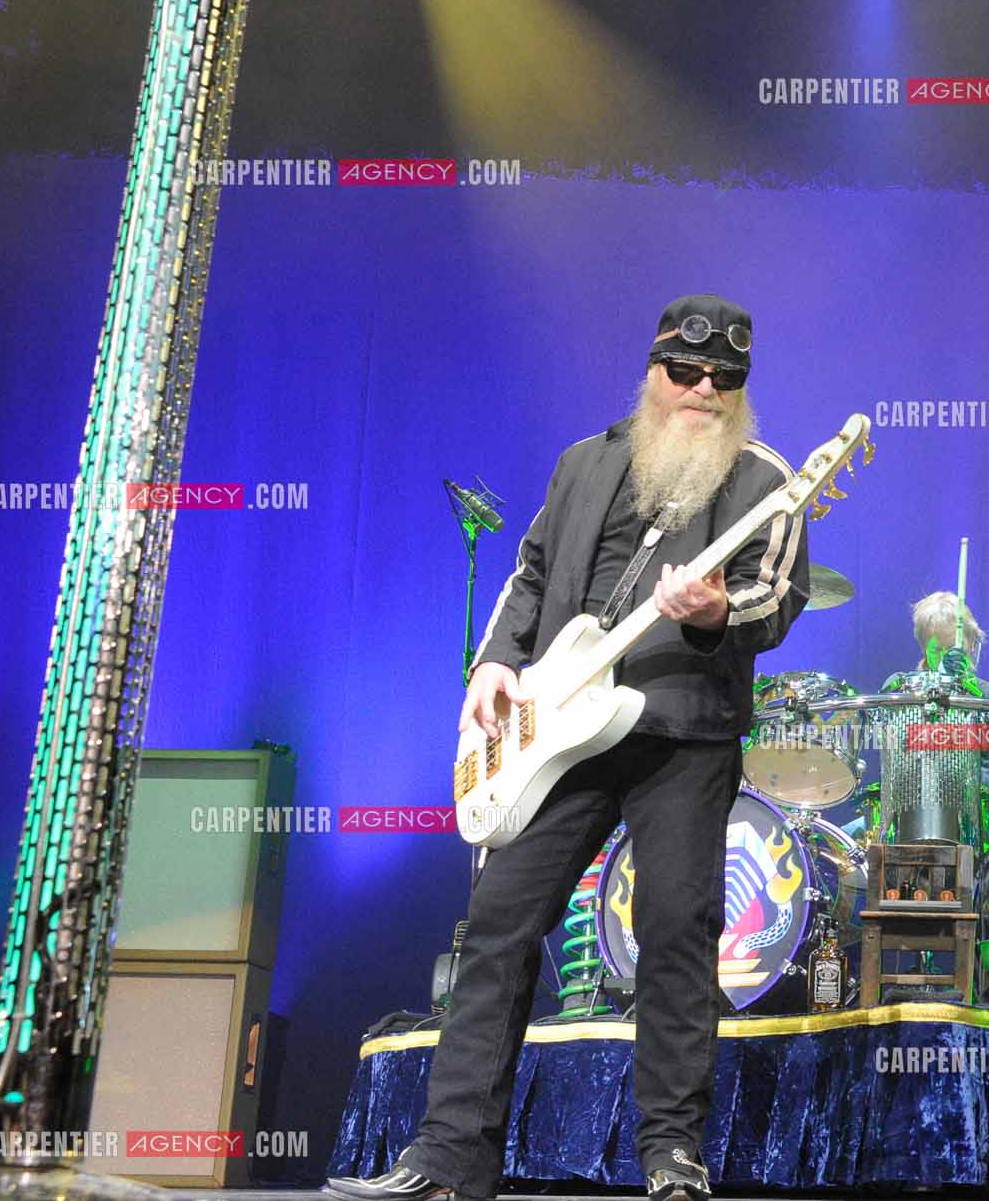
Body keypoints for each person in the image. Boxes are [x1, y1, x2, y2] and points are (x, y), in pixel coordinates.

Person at [326, 294, 809, 1201]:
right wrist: (493, 666)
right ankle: (447, 1160)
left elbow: (777, 597)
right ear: (654, 367)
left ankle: (671, 1156)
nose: (705, 390)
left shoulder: (768, 482)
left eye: (726, 379)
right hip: (561, 733)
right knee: (496, 927)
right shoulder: (584, 463)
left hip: (683, 732)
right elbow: (532, 575)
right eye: (687, 371)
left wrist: (718, 611)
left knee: (674, 933)